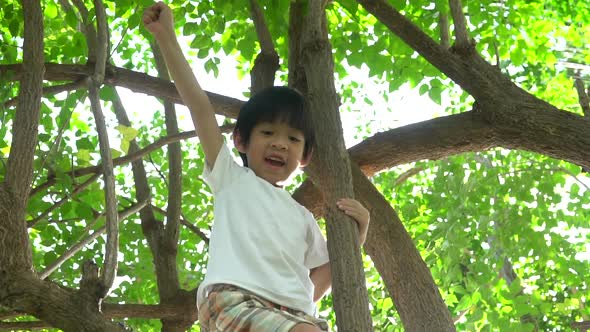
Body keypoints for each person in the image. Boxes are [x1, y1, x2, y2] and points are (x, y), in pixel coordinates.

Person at [142, 3, 370, 331]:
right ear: (240, 141)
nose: (279, 143)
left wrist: (356, 239)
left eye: (293, 139)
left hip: (293, 317)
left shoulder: (303, 218)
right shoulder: (232, 179)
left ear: (304, 157)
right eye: (267, 133)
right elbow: (200, 107)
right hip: (233, 299)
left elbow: (315, 286)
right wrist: (166, 38)